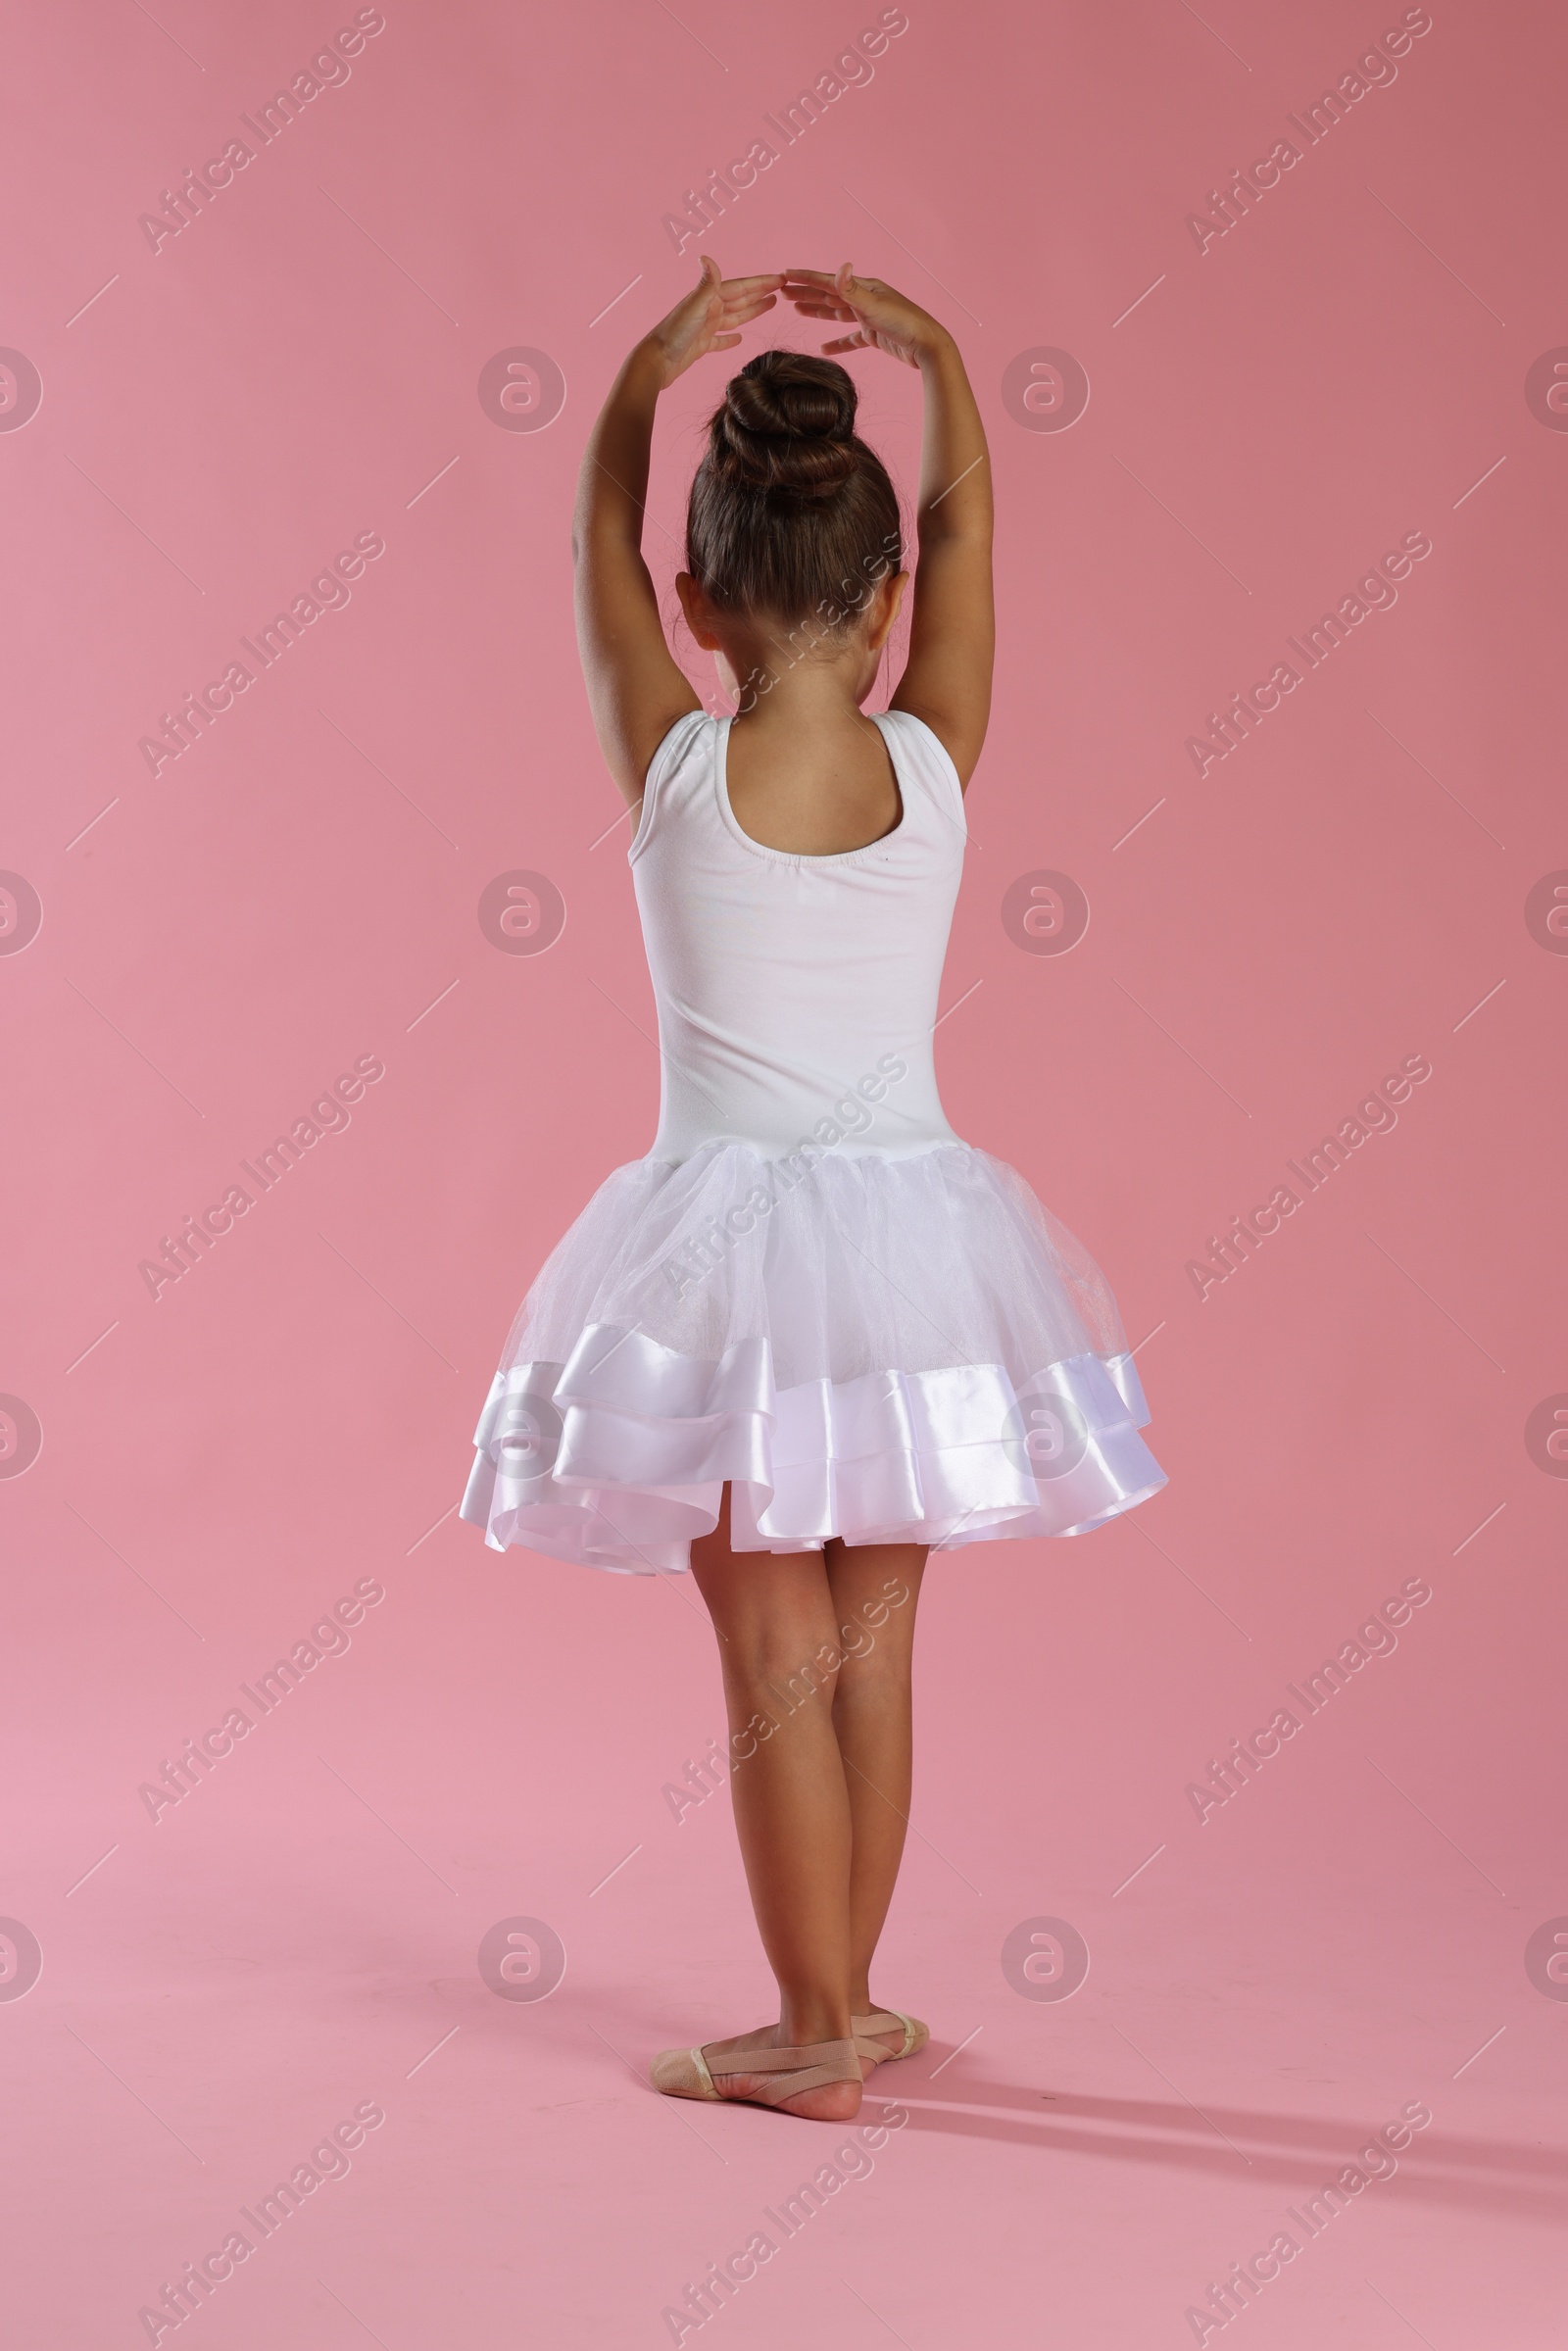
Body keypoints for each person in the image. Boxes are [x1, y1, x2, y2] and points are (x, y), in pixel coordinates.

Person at [461, 258, 1166, 2122]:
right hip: (920, 1246)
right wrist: (936, 356)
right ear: (891, 601)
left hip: (722, 1254)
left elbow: (588, 545)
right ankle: (846, 2002)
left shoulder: (673, 767)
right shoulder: (931, 765)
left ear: (696, 604)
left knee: (766, 1635)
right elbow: (975, 527)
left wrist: (641, 371)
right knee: (870, 1639)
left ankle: (810, 2032)